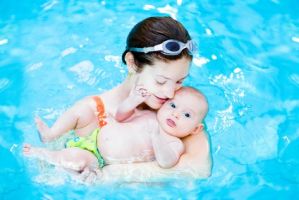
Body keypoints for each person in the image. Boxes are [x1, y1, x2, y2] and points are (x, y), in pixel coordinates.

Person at [23, 16, 212, 181]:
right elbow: (46, 174)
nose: (171, 93)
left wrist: (110, 175)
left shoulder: (179, 109)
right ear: (132, 63)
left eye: (180, 80)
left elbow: (199, 169)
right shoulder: (89, 112)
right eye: (161, 81)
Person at [23, 86, 208, 179]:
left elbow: (166, 162)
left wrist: (157, 137)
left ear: (195, 129)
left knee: (76, 160)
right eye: (173, 105)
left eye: (186, 115)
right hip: (93, 140)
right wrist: (133, 100)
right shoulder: (148, 114)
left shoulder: (174, 143)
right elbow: (120, 115)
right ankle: (48, 144)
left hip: (99, 160)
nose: (175, 114)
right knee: (70, 151)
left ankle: (49, 159)